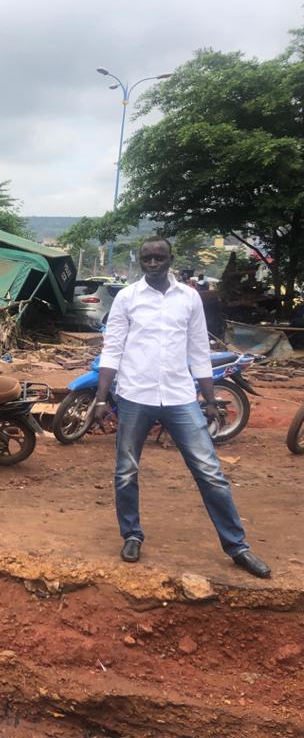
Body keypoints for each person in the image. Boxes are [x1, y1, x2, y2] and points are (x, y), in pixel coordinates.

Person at [92, 237, 270, 578]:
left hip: (179, 396)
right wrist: (101, 397)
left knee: (210, 472)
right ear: (141, 261)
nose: (154, 263)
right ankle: (131, 534)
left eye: (160, 257)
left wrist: (208, 398)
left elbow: (198, 351)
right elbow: (112, 349)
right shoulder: (128, 298)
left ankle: (238, 546)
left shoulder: (189, 298)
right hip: (134, 395)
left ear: (170, 259)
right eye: (148, 258)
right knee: (126, 472)